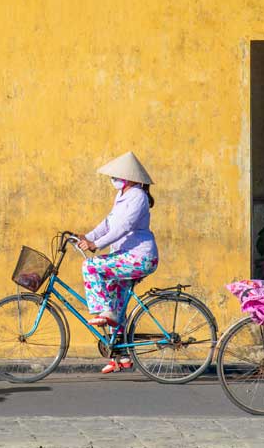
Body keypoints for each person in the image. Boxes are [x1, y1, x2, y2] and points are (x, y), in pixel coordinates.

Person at [77, 152, 159, 374]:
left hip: (139, 257)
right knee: (116, 304)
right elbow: (108, 223)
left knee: (90, 266)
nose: (114, 179)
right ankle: (120, 356)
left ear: (130, 176)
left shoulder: (138, 196)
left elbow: (123, 226)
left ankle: (102, 311)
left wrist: (96, 245)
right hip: (125, 256)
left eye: (117, 175)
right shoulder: (123, 195)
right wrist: (87, 237)